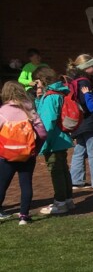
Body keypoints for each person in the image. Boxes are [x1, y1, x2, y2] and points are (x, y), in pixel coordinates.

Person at [0, 80, 46, 225]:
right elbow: (42, 133)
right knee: (26, 184)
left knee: (2, 184)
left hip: (6, 155)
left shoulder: (3, 111)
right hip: (27, 154)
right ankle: (24, 216)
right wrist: (36, 148)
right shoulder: (29, 109)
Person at [33, 66, 73, 215]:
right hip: (61, 138)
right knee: (63, 170)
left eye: (37, 81)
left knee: (56, 171)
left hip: (53, 139)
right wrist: (38, 98)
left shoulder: (50, 96)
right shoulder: (58, 92)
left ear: (43, 79)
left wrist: (43, 141)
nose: (36, 85)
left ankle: (60, 202)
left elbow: (47, 121)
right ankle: (67, 200)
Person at [67, 54, 93, 190]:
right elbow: (87, 104)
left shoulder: (74, 79)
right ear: (86, 67)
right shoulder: (85, 82)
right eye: (92, 66)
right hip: (88, 121)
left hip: (78, 121)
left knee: (79, 150)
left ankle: (76, 180)